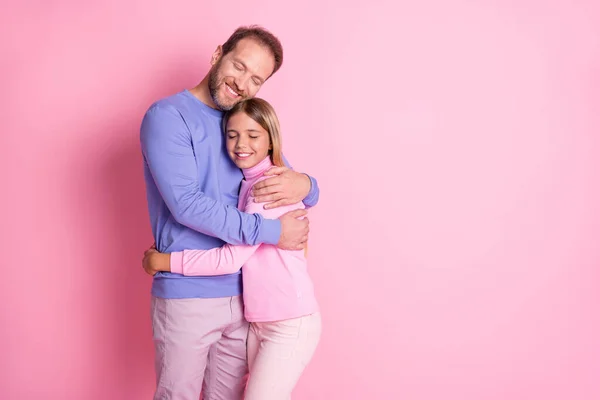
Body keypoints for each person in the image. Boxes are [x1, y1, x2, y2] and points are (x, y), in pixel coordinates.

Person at [140, 26, 320, 400]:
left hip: (245, 301)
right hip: (187, 295)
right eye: (239, 66)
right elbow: (187, 204)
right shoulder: (168, 116)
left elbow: (284, 179)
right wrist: (272, 232)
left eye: (256, 79)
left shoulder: (240, 124)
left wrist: (308, 185)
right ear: (218, 54)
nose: (242, 83)